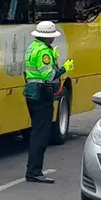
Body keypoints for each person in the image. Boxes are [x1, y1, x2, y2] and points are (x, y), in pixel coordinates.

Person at [23, 21, 74, 184]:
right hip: (42, 94)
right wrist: (64, 68)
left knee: (37, 131)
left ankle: (33, 170)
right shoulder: (44, 51)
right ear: (48, 37)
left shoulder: (32, 47)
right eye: (52, 36)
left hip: (33, 92)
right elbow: (49, 76)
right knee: (41, 133)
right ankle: (34, 171)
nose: (53, 39)